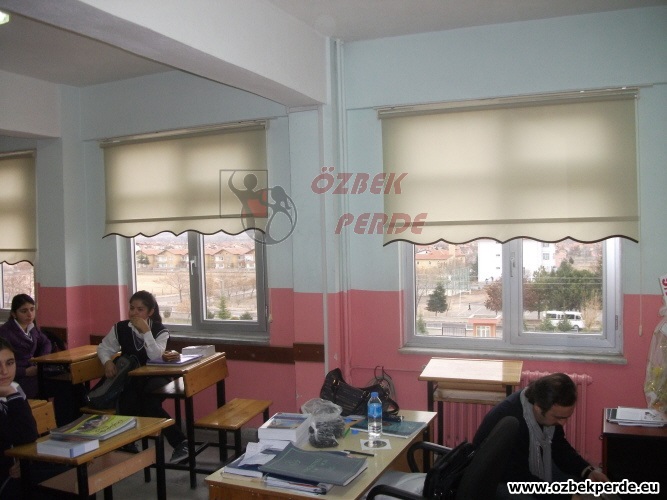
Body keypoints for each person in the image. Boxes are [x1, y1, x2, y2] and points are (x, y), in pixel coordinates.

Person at [473, 372, 608, 499]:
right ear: (538, 407)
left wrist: (588, 471)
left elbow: (559, 447)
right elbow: (519, 478)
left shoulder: (539, 404)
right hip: (496, 479)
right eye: (558, 417)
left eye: (566, 417)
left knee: (575, 481)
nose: (563, 423)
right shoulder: (513, 421)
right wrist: (564, 497)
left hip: (520, 470)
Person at [96, 290, 189, 463]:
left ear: (150, 312)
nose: (134, 313)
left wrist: (146, 331)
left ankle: (132, 441)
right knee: (141, 401)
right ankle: (180, 443)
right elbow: (104, 347)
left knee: (145, 401)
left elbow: (155, 356)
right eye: (132, 308)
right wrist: (107, 362)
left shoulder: (160, 330)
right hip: (131, 378)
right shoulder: (120, 328)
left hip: (155, 378)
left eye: (140, 309)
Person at [0, 294, 52, 398]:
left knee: (66, 384)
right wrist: (25, 372)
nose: (30, 314)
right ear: (14, 314)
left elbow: (46, 342)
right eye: (24, 311)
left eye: (32, 309)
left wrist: (40, 360)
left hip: (34, 371)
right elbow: (5, 363)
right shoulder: (6, 332)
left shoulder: (32, 328)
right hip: (17, 377)